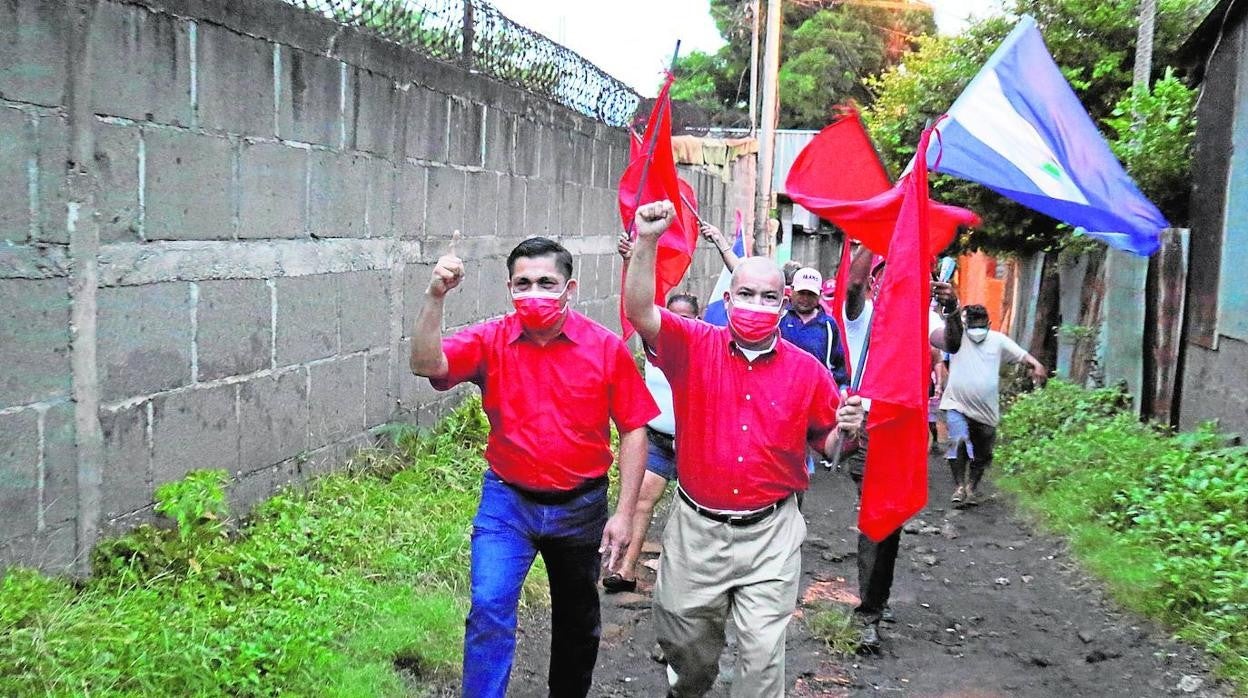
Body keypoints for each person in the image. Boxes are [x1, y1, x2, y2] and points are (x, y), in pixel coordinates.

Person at [623, 200, 865, 698]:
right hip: (697, 529)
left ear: (783, 305)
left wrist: (848, 428)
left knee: (760, 658)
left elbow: (830, 444)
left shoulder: (809, 372)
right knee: (686, 647)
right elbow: (641, 312)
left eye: (768, 296)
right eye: (746, 294)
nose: (757, 304)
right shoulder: (692, 345)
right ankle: (686, 682)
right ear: (728, 300)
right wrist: (647, 241)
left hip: (770, 532)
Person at [409, 236, 659, 698]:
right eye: (523, 284)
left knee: (577, 621)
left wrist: (624, 513)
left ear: (570, 288)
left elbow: (633, 429)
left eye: (547, 283)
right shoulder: (491, 340)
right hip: (508, 502)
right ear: (509, 289)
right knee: (488, 607)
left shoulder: (604, 348)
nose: (535, 293)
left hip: (580, 507)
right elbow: (427, 363)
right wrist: (435, 296)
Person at [837, 244, 958, 652]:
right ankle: (868, 615)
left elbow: (952, 342)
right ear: (877, 280)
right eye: (894, 273)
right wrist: (877, 235)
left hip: (906, 432)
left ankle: (877, 598)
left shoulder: (924, 320)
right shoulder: (864, 317)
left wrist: (953, 308)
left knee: (892, 519)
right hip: (871, 429)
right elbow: (852, 285)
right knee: (877, 519)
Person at [606, 234, 701, 593]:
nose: (679, 323)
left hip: (695, 444)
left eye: (687, 318)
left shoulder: (706, 346)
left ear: (699, 319)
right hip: (659, 441)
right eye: (672, 317)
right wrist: (634, 260)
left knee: (691, 518)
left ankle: (684, 588)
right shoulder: (655, 341)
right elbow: (637, 305)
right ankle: (625, 570)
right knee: (642, 500)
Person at [934, 303, 1047, 506]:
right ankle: (959, 487)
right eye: (972, 325)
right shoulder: (957, 340)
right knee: (957, 441)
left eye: (980, 326)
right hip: (956, 403)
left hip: (986, 410)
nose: (976, 331)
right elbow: (943, 354)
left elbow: (1022, 356)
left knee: (983, 451)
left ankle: (972, 487)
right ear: (965, 324)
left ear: (989, 324)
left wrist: (1037, 365)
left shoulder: (998, 340)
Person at [780, 267, 849, 388]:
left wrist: (842, 389)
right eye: (801, 293)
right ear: (791, 291)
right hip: (781, 391)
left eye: (811, 294)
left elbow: (838, 366)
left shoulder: (829, 325)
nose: (805, 299)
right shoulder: (780, 319)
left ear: (820, 294)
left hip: (817, 393)